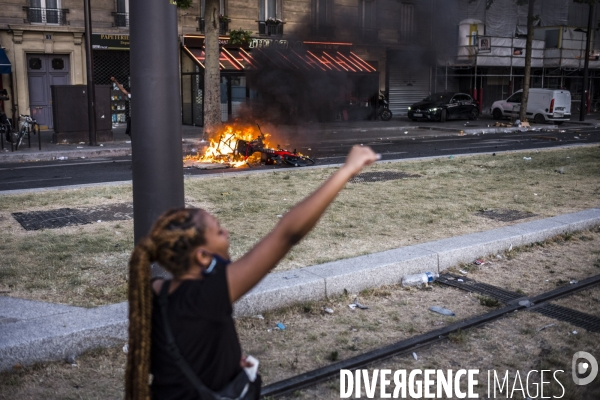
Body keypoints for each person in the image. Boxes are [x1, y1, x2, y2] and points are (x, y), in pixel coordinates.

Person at [125, 145, 379, 400]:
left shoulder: (154, 292)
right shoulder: (206, 296)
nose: (227, 234)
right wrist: (348, 170)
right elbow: (287, 234)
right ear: (202, 256)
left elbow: (184, 354)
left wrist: (228, 363)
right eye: (218, 231)